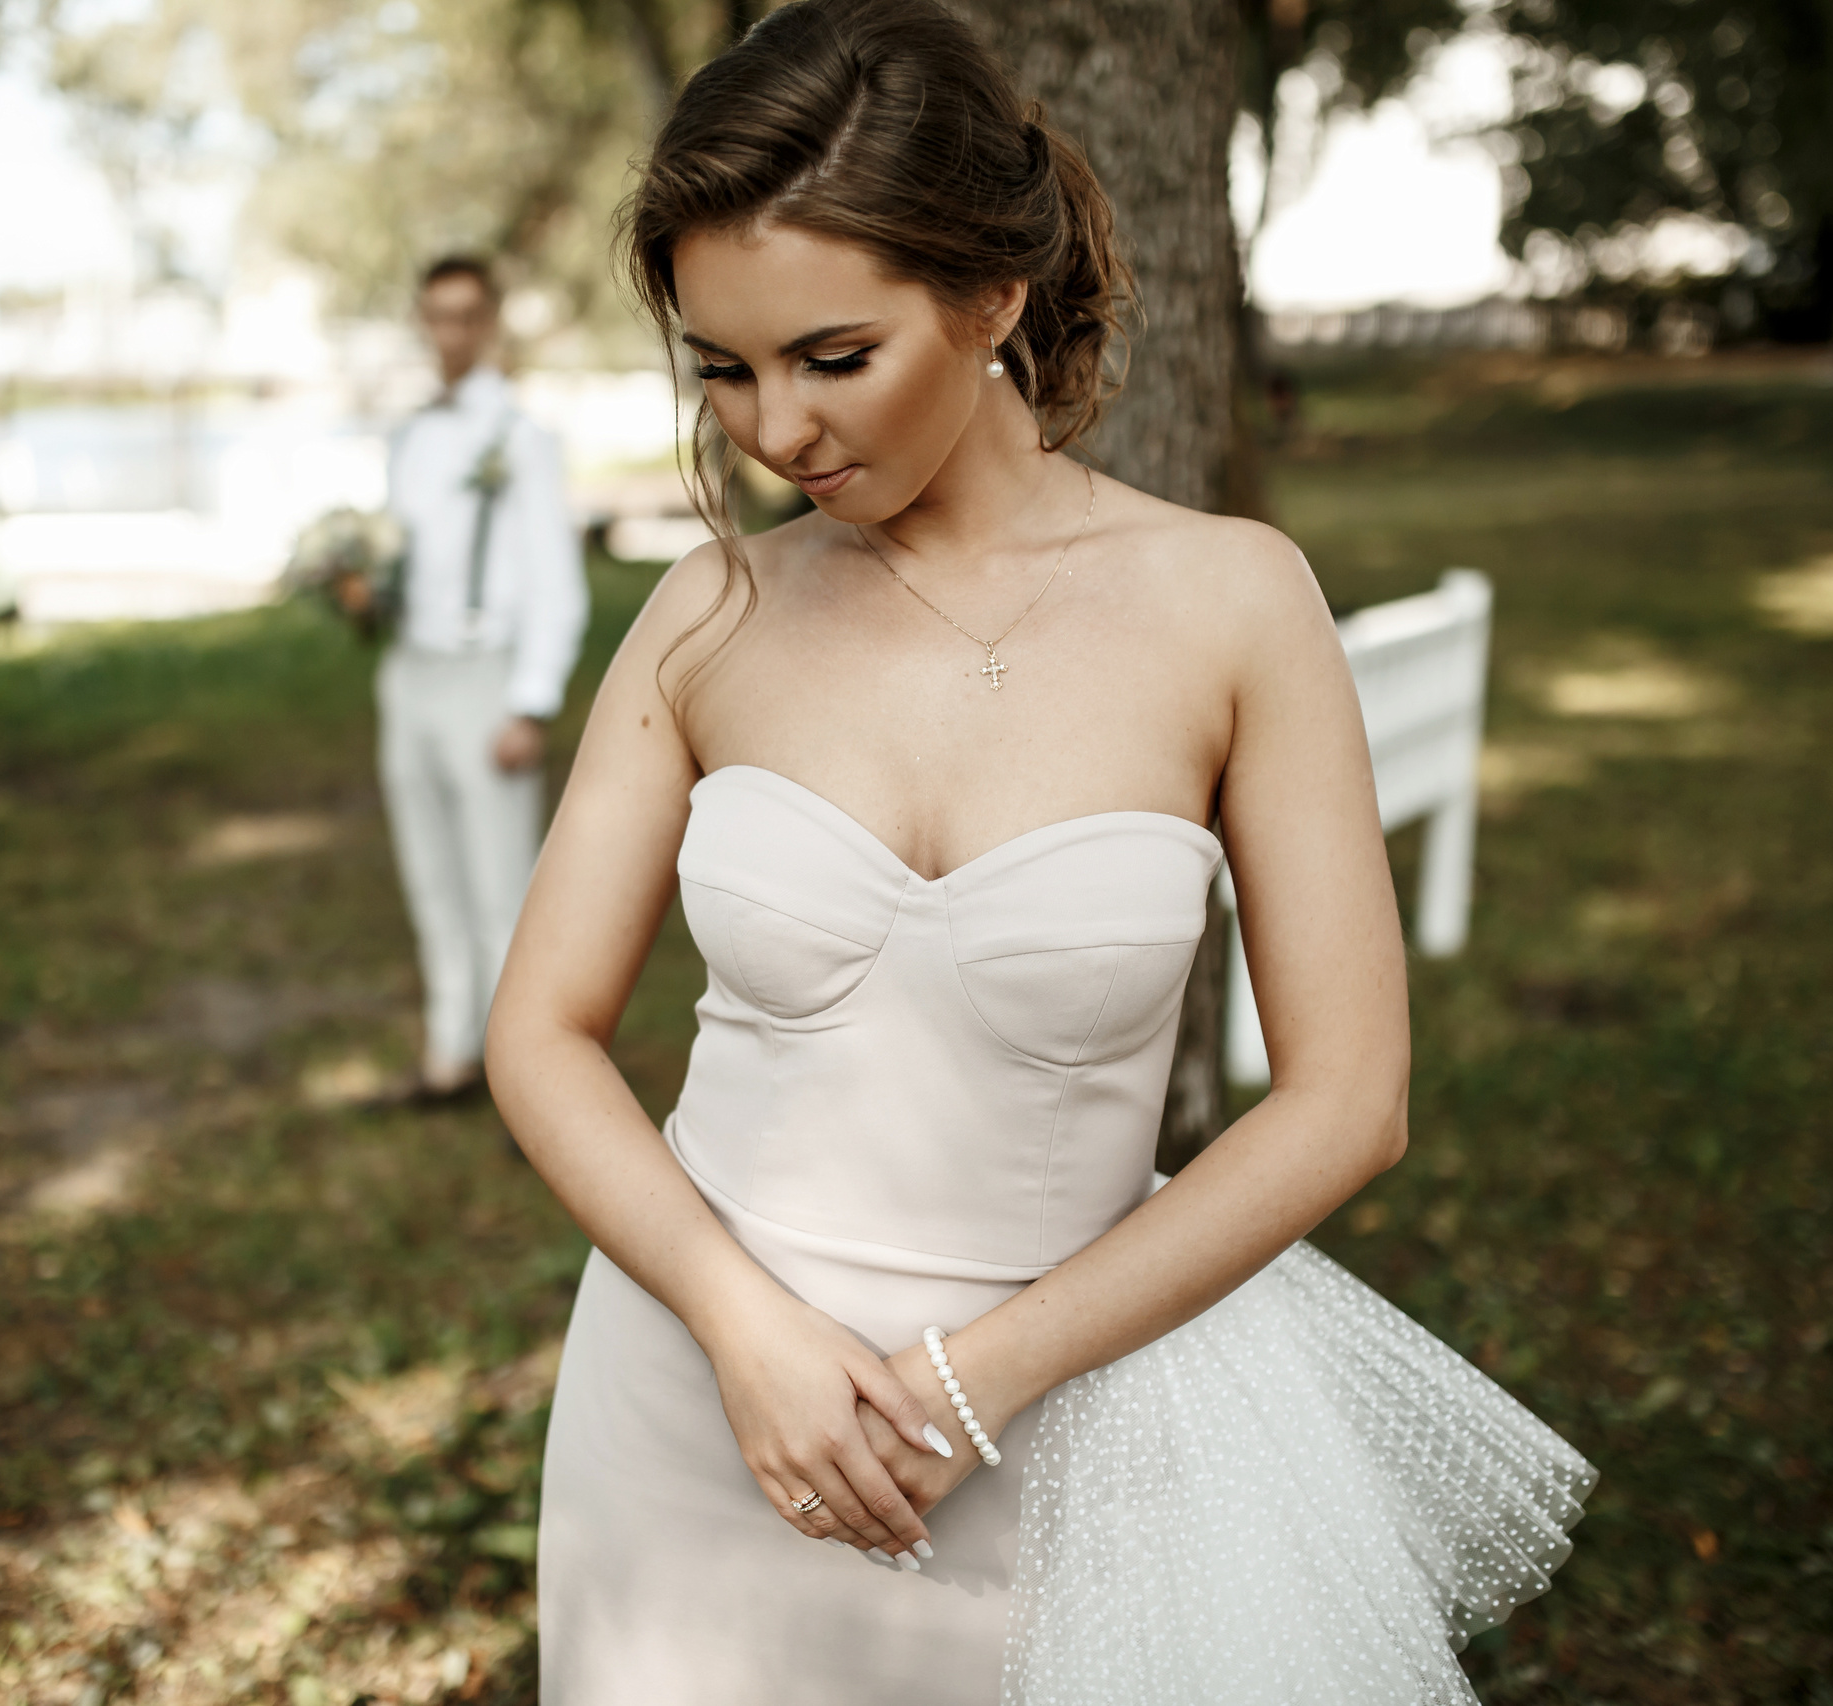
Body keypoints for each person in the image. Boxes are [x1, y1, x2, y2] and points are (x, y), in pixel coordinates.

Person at [482, 3, 1594, 1701]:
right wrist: (738, 1321)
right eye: (725, 367)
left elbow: (1350, 1098)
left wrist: (971, 1380)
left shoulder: (1232, 602)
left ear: (992, 295)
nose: (773, 431)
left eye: (832, 356)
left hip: (1068, 1426)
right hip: (694, 1410)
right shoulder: (710, 613)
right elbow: (542, 1033)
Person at [381, 256, 589, 1101]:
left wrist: (530, 701)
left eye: (467, 316)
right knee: (430, 874)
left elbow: (557, 584)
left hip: (486, 676)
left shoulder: (521, 439)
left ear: (492, 322)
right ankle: (450, 1052)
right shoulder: (410, 434)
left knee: (504, 889)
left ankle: (523, 1082)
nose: (451, 334)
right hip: (409, 672)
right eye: (437, 316)